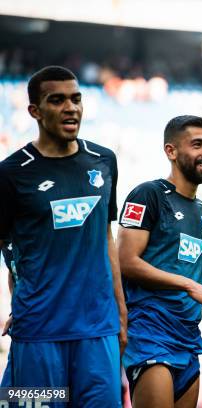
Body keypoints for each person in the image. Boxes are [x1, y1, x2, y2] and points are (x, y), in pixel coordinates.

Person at [0, 66, 127, 406]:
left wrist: (121, 313)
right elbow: (5, 248)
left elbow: (106, 236)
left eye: (76, 99)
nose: (71, 108)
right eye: (57, 100)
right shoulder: (11, 173)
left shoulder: (103, 161)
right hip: (38, 334)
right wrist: (16, 298)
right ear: (35, 111)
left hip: (98, 333)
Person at [117, 115, 202, 408]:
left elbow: (190, 272)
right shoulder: (148, 194)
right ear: (171, 151)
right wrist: (189, 286)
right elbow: (125, 260)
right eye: (197, 144)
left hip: (187, 337)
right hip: (149, 331)